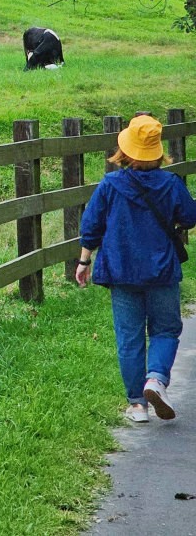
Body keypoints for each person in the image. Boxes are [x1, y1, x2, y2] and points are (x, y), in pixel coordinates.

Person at [77, 114, 196, 424]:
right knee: (165, 329)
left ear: (125, 151)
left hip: (121, 271)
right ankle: (155, 379)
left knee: (129, 336)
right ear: (158, 151)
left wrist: (83, 261)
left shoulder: (111, 184)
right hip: (161, 272)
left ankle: (137, 405)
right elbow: (190, 215)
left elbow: (91, 224)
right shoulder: (170, 184)